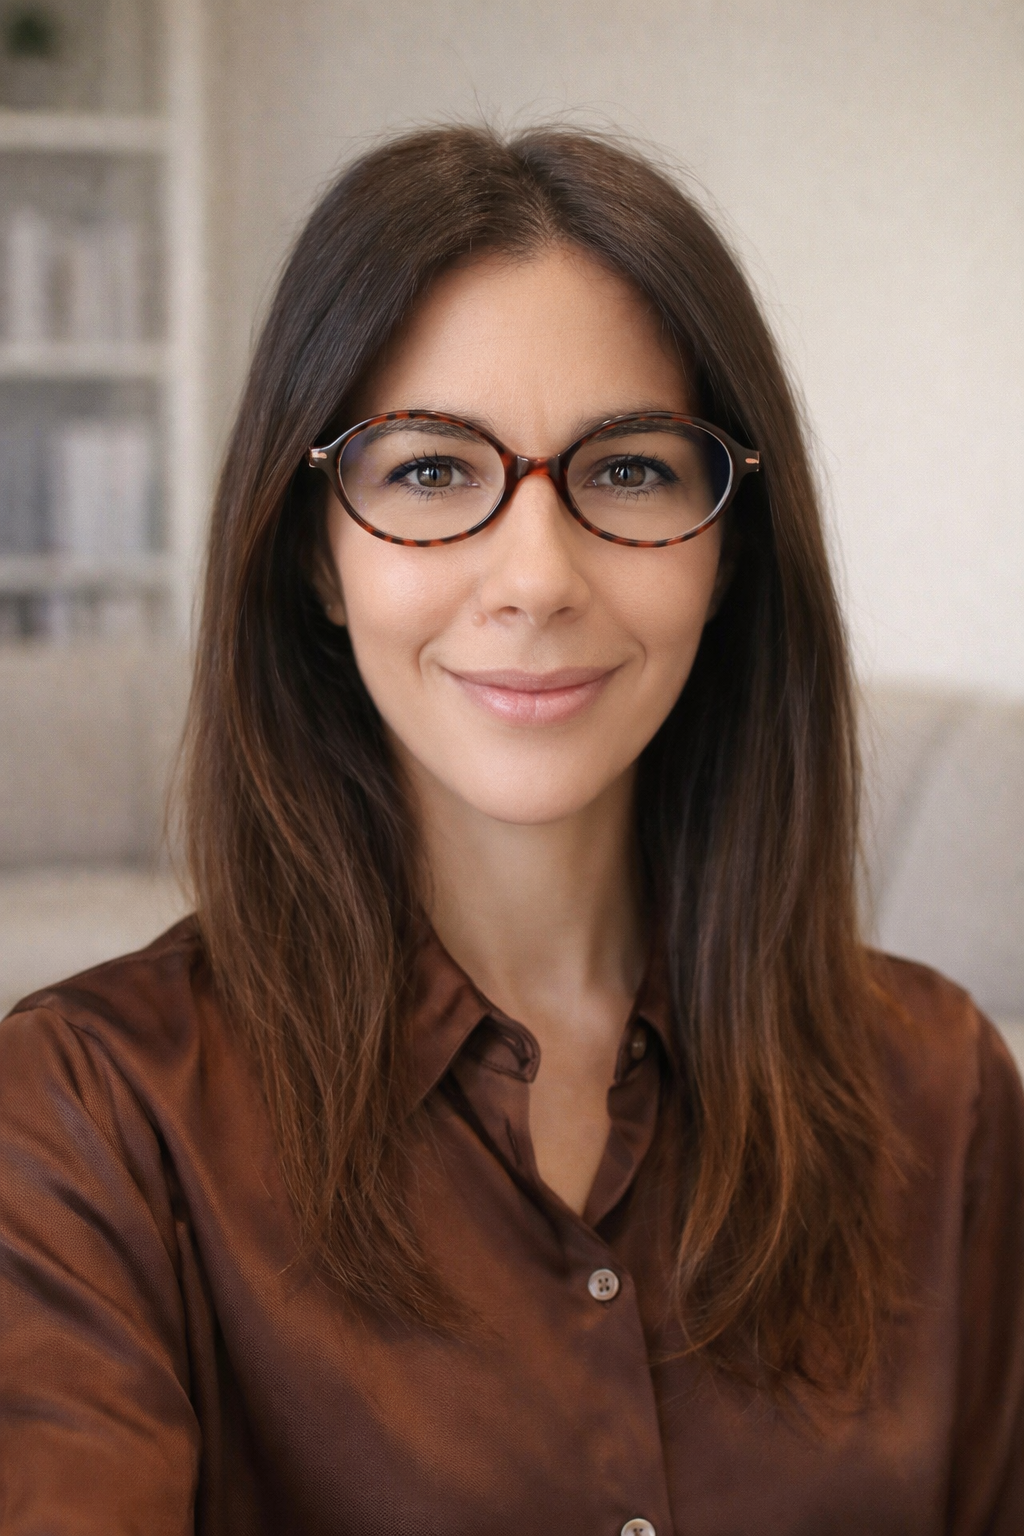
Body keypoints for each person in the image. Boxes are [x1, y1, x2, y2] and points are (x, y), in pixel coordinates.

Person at [1, 125, 1021, 1536]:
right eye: (430, 472)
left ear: (729, 548)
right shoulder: (90, 1119)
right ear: (314, 553)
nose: (536, 577)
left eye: (630, 471)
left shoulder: (942, 1092)